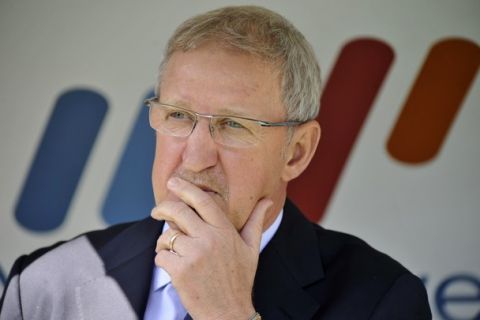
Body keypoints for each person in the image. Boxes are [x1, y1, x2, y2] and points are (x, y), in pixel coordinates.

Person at [0, 5, 431, 320]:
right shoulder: (45, 284)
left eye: (233, 125)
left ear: (296, 151)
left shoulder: (383, 299)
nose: (196, 156)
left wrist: (228, 314)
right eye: (178, 116)